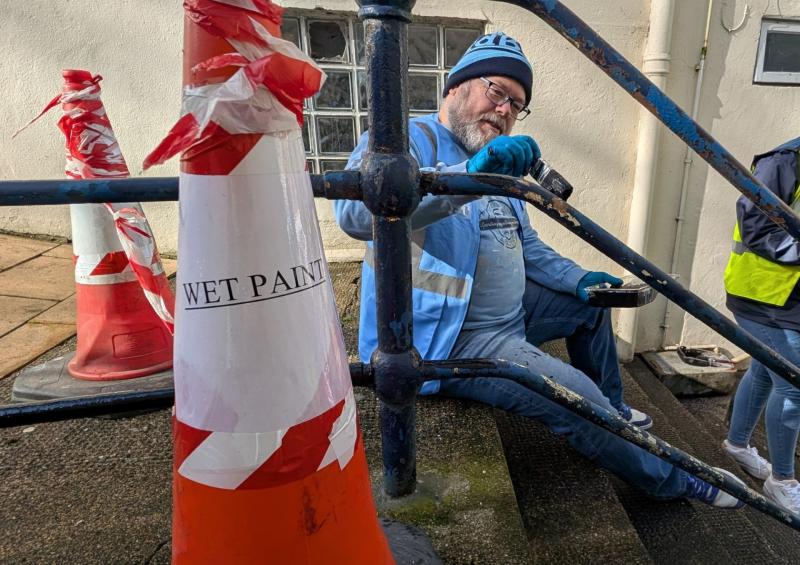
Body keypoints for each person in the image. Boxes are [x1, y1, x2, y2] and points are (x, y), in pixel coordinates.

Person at [336, 31, 744, 506]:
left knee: (591, 307)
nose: (505, 110)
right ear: (455, 87)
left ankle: (615, 411)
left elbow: (526, 245)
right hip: (450, 337)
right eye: (496, 92)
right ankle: (677, 479)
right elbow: (355, 217)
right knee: (574, 396)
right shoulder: (407, 140)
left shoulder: (498, 161)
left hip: (512, 315)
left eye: (516, 103)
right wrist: (466, 180)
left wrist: (579, 279)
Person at [723, 137, 800, 516]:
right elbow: (755, 226)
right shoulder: (785, 161)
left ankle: (737, 445)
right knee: (794, 384)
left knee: (764, 372)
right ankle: (781, 481)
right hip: (761, 297)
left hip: (785, 299)